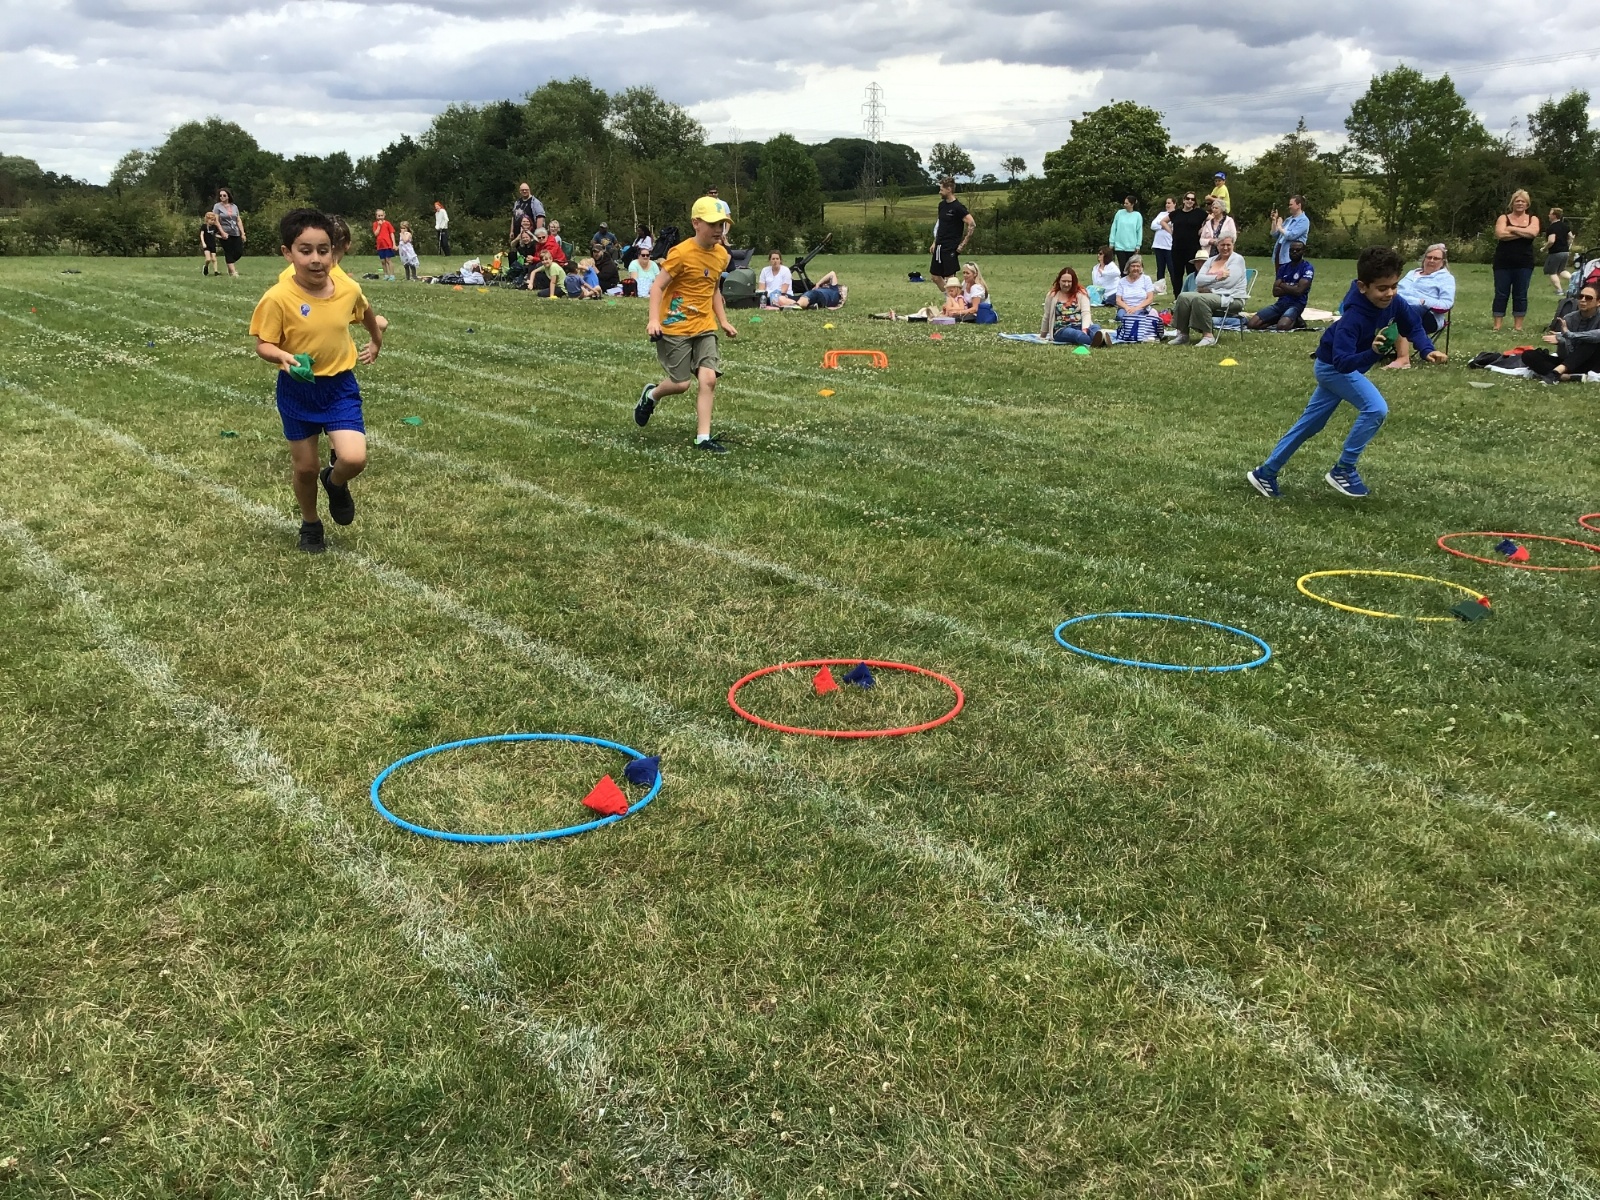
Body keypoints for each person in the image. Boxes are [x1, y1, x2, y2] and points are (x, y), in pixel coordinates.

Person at [1247, 246, 1445, 500]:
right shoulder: (1353, 318)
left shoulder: (1394, 302)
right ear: (1363, 287)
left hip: (1340, 368)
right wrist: (1372, 353)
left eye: (1394, 286)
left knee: (1310, 424)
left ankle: (1266, 472)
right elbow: (1342, 363)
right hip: (1333, 368)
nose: (1390, 293)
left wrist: (1427, 349)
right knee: (1376, 409)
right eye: (1382, 288)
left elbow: (1413, 325)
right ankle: (1344, 469)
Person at [249, 208, 383, 553]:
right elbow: (263, 343)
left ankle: (334, 482)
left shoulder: (347, 288)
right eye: (305, 250)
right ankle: (311, 523)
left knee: (353, 458)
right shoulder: (278, 297)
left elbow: (365, 311)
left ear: (333, 250)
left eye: (323, 250)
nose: (315, 259)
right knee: (306, 468)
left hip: (339, 387)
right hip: (298, 390)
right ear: (288, 253)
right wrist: (280, 356)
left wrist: (376, 340)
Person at [633, 195, 738, 453]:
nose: (718, 230)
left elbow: (713, 289)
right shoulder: (681, 253)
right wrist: (654, 319)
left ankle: (703, 438)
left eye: (722, 224)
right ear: (696, 223)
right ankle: (651, 395)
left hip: (704, 326)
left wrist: (723, 320)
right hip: (675, 326)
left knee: (708, 379)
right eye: (712, 224)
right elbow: (657, 287)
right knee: (681, 384)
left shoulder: (721, 255)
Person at [1167, 235, 1246, 347]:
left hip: (1232, 298)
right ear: (1217, 246)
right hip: (1215, 296)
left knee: (1200, 299)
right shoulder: (1211, 260)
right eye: (1222, 245)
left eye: (1228, 245)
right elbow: (1199, 280)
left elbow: (1229, 282)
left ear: (1233, 245)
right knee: (1183, 296)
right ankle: (1183, 334)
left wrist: (1210, 288)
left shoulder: (1237, 260)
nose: (1225, 248)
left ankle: (1208, 336)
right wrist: (1217, 278)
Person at [1386, 244, 1455, 369]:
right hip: (1396, 306)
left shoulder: (1446, 278)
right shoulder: (1413, 273)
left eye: (1436, 258)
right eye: (1429, 257)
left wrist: (1424, 302)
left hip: (1428, 316)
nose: (1431, 260)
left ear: (1443, 262)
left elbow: (1446, 304)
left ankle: (1403, 358)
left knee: (1404, 312)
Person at [1526, 281, 1600, 378]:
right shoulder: (1569, 318)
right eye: (1580, 296)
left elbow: (1597, 335)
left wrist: (1569, 335)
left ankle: (1556, 373)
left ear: (1598, 302)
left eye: (1588, 298)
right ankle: (1565, 376)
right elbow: (1566, 354)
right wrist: (1562, 342)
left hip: (1595, 362)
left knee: (1591, 342)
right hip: (1572, 362)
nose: (1583, 300)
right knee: (1528, 355)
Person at [1492, 189, 1540, 332]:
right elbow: (1500, 234)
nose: (1520, 203)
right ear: (1512, 203)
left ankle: (1518, 326)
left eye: (1523, 201)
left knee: (1521, 294)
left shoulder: (1533, 219)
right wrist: (1523, 233)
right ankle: (1497, 325)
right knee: (1501, 294)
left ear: (1527, 204)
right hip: (1503, 262)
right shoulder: (1503, 218)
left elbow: (1533, 233)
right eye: (1517, 201)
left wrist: (1511, 229)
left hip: (1524, 263)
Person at [1246, 241, 1313, 331]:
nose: (1294, 252)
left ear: (1303, 251)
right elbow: (1275, 292)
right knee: (1252, 324)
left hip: (1296, 304)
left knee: (1282, 327)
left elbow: (1299, 291)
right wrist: (1293, 287)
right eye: (1292, 250)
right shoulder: (1283, 268)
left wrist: (1282, 285)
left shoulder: (1307, 268)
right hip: (1280, 304)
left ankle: (1296, 321)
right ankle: (1282, 318)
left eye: (1298, 250)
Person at [1041, 264, 1110, 347]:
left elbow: (1086, 313)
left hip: (1080, 325)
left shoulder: (1081, 293)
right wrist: (1043, 335)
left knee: (1095, 327)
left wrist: (1084, 329)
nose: (1066, 284)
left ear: (1073, 282)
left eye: (1069, 281)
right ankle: (1100, 342)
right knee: (1077, 335)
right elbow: (1047, 316)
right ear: (1059, 281)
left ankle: (1099, 339)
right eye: (1064, 281)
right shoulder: (1052, 295)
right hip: (1062, 329)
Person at [929, 175, 974, 289]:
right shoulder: (942, 205)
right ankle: (951, 296)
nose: (939, 192)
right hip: (939, 246)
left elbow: (972, 224)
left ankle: (956, 298)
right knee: (935, 277)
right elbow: (941, 226)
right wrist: (935, 242)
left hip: (950, 247)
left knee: (950, 279)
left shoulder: (958, 207)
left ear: (949, 189)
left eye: (941, 189)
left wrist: (962, 244)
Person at [1111, 255, 1160, 342]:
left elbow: (1150, 298)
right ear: (1128, 267)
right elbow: (1118, 300)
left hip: (1142, 308)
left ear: (1141, 268)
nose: (1136, 268)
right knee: (1121, 316)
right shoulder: (1122, 281)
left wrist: (1137, 308)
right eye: (1133, 266)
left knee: (1137, 315)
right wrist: (1127, 308)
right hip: (1126, 308)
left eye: (1138, 266)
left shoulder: (1146, 279)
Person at [1169, 191, 1206, 283]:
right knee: (1177, 274)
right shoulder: (1176, 213)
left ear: (1194, 202)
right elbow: (1163, 221)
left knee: (1192, 273)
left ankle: (1191, 291)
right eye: (1188, 198)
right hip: (1177, 248)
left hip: (1192, 248)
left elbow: (1213, 219)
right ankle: (1177, 292)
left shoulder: (1199, 213)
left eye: (1192, 199)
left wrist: (1204, 228)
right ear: (1183, 200)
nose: (1190, 201)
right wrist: (1171, 231)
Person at [212, 188, 246, 277]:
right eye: (220, 195)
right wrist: (222, 232)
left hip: (235, 232)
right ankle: (233, 272)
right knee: (228, 251)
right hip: (225, 233)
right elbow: (216, 221)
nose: (222, 197)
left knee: (239, 252)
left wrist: (242, 233)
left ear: (228, 196)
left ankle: (230, 264)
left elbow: (238, 220)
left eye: (224, 195)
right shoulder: (217, 206)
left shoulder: (234, 206)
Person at [776, 270, 846, 310]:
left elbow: (832, 274)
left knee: (810, 294)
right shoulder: (823, 289)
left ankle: (796, 305)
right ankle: (797, 305)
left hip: (820, 296)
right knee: (782, 297)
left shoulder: (834, 289)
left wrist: (818, 284)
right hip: (808, 296)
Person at [1270, 195, 1310, 266]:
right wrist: (1274, 220)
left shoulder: (1304, 220)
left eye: (1291, 204)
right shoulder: (1288, 220)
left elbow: (1291, 235)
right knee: (1279, 273)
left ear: (1299, 205)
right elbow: (1275, 234)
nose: (1289, 207)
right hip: (1279, 255)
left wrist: (1279, 226)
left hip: (1291, 257)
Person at [1197, 199, 1237, 265]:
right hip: (1210, 254)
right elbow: (1201, 240)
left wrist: (1223, 242)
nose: (1214, 210)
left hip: (1224, 252)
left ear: (1222, 209)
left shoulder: (1229, 221)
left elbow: (1234, 237)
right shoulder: (1208, 223)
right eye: (1213, 208)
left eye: (1216, 208)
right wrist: (1209, 241)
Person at [1109, 197, 1143, 272]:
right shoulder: (1119, 213)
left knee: (1130, 267)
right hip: (1119, 245)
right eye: (1124, 203)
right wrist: (1111, 242)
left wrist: (1138, 245)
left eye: (1127, 203)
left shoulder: (1137, 215)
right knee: (1122, 266)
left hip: (1132, 246)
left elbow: (1139, 231)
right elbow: (1114, 227)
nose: (1125, 205)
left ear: (1132, 204)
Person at [1545, 206, 1572, 295]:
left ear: (1554, 216)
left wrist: (1544, 248)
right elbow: (1571, 237)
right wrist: (1567, 244)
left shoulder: (1552, 228)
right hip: (1565, 252)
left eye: (1550, 214)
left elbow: (1551, 241)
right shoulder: (1565, 226)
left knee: (1552, 272)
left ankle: (1559, 290)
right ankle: (1574, 279)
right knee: (1561, 270)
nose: (1548, 215)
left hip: (1556, 252)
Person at [1150, 198, 1175, 291]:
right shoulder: (1161, 214)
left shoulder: (1176, 214)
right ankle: (1160, 289)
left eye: (1169, 203)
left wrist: (1163, 225)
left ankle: (1175, 287)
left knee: (1172, 268)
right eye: (1166, 203)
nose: (1167, 205)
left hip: (1169, 246)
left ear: (1174, 204)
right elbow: (1153, 226)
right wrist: (1163, 226)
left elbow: (1174, 227)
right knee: (1160, 268)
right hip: (1158, 245)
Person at [372, 209, 397, 281]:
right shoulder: (375, 224)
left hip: (387, 244)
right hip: (380, 245)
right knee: (383, 261)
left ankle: (392, 275)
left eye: (381, 215)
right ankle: (386, 275)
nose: (380, 217)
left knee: (388, 260)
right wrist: (379, 226)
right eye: (379, 216)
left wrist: (394, 244)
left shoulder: (387, 223)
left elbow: (392, 233)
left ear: (384, 215)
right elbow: (376, 234)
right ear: (376, 216)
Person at [200, 210, 221, 276]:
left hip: (212, 244)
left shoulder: (214, 227)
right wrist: (203, 243)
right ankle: (206, 267)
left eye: (214, 220)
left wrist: (222, 237)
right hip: (206, 245)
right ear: (207, 220)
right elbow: (201, 235)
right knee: (208, 259)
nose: (213, 221)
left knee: (214, 259)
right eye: (211, 220)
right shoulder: (204, 226)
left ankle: (216, 271)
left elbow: (215, 234)